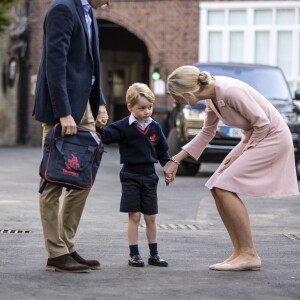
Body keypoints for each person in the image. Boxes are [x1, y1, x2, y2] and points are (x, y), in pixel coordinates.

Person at [164, 65, 299, 271]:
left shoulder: (229, 90)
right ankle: (239, 252)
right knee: (216, 186)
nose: (177, 102)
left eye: (177, 98)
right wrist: (176, 159)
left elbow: (262, 124)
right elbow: (207, 132)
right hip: (254, 136)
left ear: (189, 94)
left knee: (225, 186)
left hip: (272, 137)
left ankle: (249, 253)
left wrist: (241, 156)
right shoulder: (211, 96)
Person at [32, 0, 112, 273]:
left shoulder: (88, 11)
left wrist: (99, 101)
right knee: (53, 180)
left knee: (82, 178)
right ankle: (55, 253)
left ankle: (67, 245)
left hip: (85, 107)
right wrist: (63, 112)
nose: (111, 2)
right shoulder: (63, 8)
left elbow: (88, 66)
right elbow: (55, 63)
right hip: (62, 110)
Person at [98, 83, 169, 267]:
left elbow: (162, 151)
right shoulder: (122, 127)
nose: (147, 112)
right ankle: (134, 254)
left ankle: (154, 254)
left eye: (150, 107)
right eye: (142, 108)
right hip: (130, 175)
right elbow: (104, 136)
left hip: (150, 176)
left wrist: (167, 168)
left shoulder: (155, 127)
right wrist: (98, 125)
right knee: (134, 216)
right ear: (130, 107)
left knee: (151, 217)